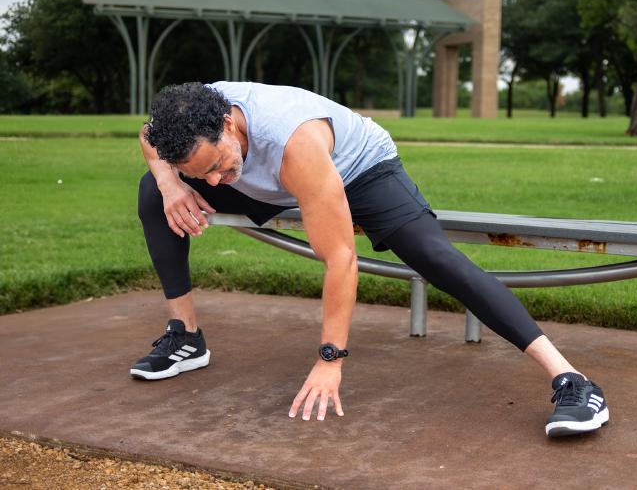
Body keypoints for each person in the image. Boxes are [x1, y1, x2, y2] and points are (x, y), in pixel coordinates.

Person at [134, 81, 609, 437]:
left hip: (361, 171)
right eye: (202, 173)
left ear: (228, 125)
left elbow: (340, 259)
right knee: (153, 193)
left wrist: (330, 358)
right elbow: (149, 135)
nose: (215, 180)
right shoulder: (188, 122)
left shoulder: (292, 139)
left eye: (217, 164)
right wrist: (170, 181)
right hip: (270, 181)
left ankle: (573, 380)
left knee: (434, 257)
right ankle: (187, 337)